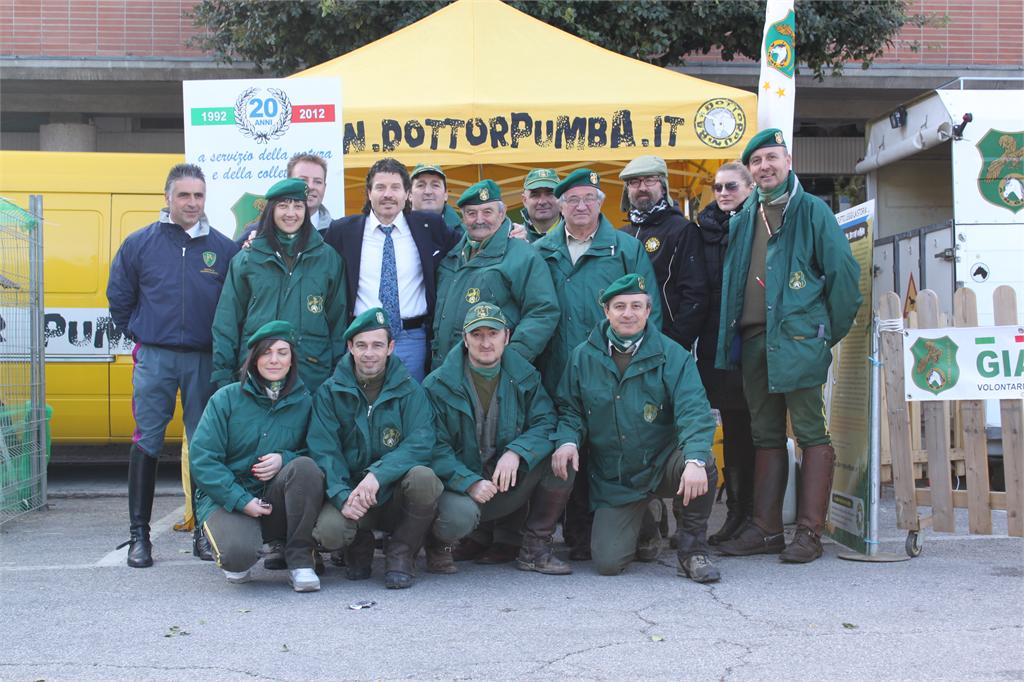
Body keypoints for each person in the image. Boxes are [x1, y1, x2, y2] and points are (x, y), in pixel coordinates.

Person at [715, 129, 862, 563]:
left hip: (798, 340)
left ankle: (809, 533)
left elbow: (844, 280)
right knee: (765, 434)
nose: (765, 166)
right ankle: (766, 530)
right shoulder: (744, 216)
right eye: (756, 161)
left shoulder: (812, 210)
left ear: (788, 161)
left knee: (811, 432)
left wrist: (822, 334)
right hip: (753, 340)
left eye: (771, 158)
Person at [107, 163, 238, 568]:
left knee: (203, 444)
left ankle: (203, 533)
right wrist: (143, 333)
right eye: (184, 195)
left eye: (198, 195)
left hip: (204, 358)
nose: (192, 203)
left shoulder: (223, 248)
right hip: (156, 357)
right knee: (147, 440)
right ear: (167, 198)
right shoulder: (139, 244)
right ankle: (139, 536)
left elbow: (234, 305)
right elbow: (119, 298)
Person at [551, 274, 720, 581]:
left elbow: (694, 411)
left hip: (663, 464)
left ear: (648, 311)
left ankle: (693, 550)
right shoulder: (582, 357)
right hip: (616, 477)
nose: (628, 313)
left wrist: (694, 459)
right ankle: (646, 519)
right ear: (606, 311)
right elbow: (570, 409)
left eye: (636, 306)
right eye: (619, 306)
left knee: (703, 464)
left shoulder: (673, 356)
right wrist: (567, 440)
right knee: (607, 563)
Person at [533, 168, 661, 561]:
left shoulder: (624, 248)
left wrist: (636, 367)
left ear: (601, 202)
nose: (581, 206)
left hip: (613, 368)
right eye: (572, 200)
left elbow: (648, 311)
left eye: (589, 198)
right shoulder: (541, 251)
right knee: (570, 446)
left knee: (613, 447)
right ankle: (577, 533)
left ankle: (642, 525)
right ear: (560, 206)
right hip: (557, 367)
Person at [423, 303, 573, 576]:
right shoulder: (438, 385)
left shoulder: (525, 375)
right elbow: (432, 447)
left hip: (503, 483)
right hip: (459, 488)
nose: (486, 343)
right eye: (477, 335)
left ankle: (535, 548)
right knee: (458, 516)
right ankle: (442, 544)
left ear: (506, 336)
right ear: (465, 339)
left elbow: (546, 422)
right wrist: (468, 482)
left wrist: (517, 452)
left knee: (564, 456)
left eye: (492, 334)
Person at [308, 308, 442, 589]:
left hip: (393, 495)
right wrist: (342, 496)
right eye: (362, 345)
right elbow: (324, 451)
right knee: (331, 532)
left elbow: (421, 442)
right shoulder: (330, 393)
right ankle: (358, 542)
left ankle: (401, 551)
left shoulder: (410, 390)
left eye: (377, 345)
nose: (369, 353)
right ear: (350, 347)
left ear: (390, 347)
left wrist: (378, 475)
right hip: (351, 495)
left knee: (424, 479)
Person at [189, 321, 323, 592]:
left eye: (282, 353)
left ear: (292, 360)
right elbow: (203, 459)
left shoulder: (304, 402)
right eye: (266, 352)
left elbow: (319, 452)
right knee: (237, 558)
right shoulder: (225, 399)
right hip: (227, 499)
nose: (274, 360)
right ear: (254, 358)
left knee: (305, 467)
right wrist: (242, 500)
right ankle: (237, 543)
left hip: (273, 499)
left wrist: (285, 459)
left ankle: (299, 560)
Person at [322, 158, 460, 382]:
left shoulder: (429, 227)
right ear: (369, 193)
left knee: (411, 399)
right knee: (363, 399)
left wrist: (511, 231)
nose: (388, 194)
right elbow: (315, 257)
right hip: (362, 338)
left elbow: (470, 242)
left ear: (407, 194)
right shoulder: (343, 231)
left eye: (395, 187)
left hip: (413, 339)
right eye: (380, 187)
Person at [211, 177, 347, 394]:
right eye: (283, 206)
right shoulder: (247, 259)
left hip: (312, 375)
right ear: (271, 210)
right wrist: (223, 375)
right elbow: (227, 321)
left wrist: (338, 376)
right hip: (256, 373)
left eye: (298, 206)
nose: (291, 213)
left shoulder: (328, 259)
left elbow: (338, 323)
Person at [431, 179, 559, 370]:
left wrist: (513, 359)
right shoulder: (451, 258)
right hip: (447, 371)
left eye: (487, 212)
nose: (479, 219)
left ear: (502, 213)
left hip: (495, 373)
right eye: (471, 213)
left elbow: (543, 312)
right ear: (463, 218)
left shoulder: (523, 257)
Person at [694, 162, 757, 545]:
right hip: (717, 346)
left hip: (752, 341)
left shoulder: (761, 224)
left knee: (758, 432)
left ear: (749, 188)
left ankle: (757, 517)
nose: (722, 193)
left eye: (731, 186)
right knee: (734, 430)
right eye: (717, 187)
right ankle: (736, 513)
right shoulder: (705, 230)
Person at [618, 155, 708, 350]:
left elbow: (695, 294)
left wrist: (675, 343)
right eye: (634, 182)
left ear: (664, 186)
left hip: (667, 341)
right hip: (624, 342)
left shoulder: (682, 230)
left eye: (650, 180)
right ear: (627, 190)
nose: (642, 187)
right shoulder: (620, 235)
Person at [237, 153, 333, 245]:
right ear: (288, 183)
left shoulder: (336, 232)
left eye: (318, 182)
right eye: (303, 180)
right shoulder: (257, 231)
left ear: (324, 187)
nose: (310, 186)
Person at [410, 163, 463, 232]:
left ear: (446, 195)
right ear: (409, 194)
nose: (428, 192)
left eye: (435, 185)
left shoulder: (464, 234)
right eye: (420, 185)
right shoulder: (396, 231)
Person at [519, 168, 561, 242]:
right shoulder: (513, 240)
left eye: (550, 194)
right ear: (525, 201)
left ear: (560, 198)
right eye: (535, 195)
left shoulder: (578, 234)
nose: (542, 202)